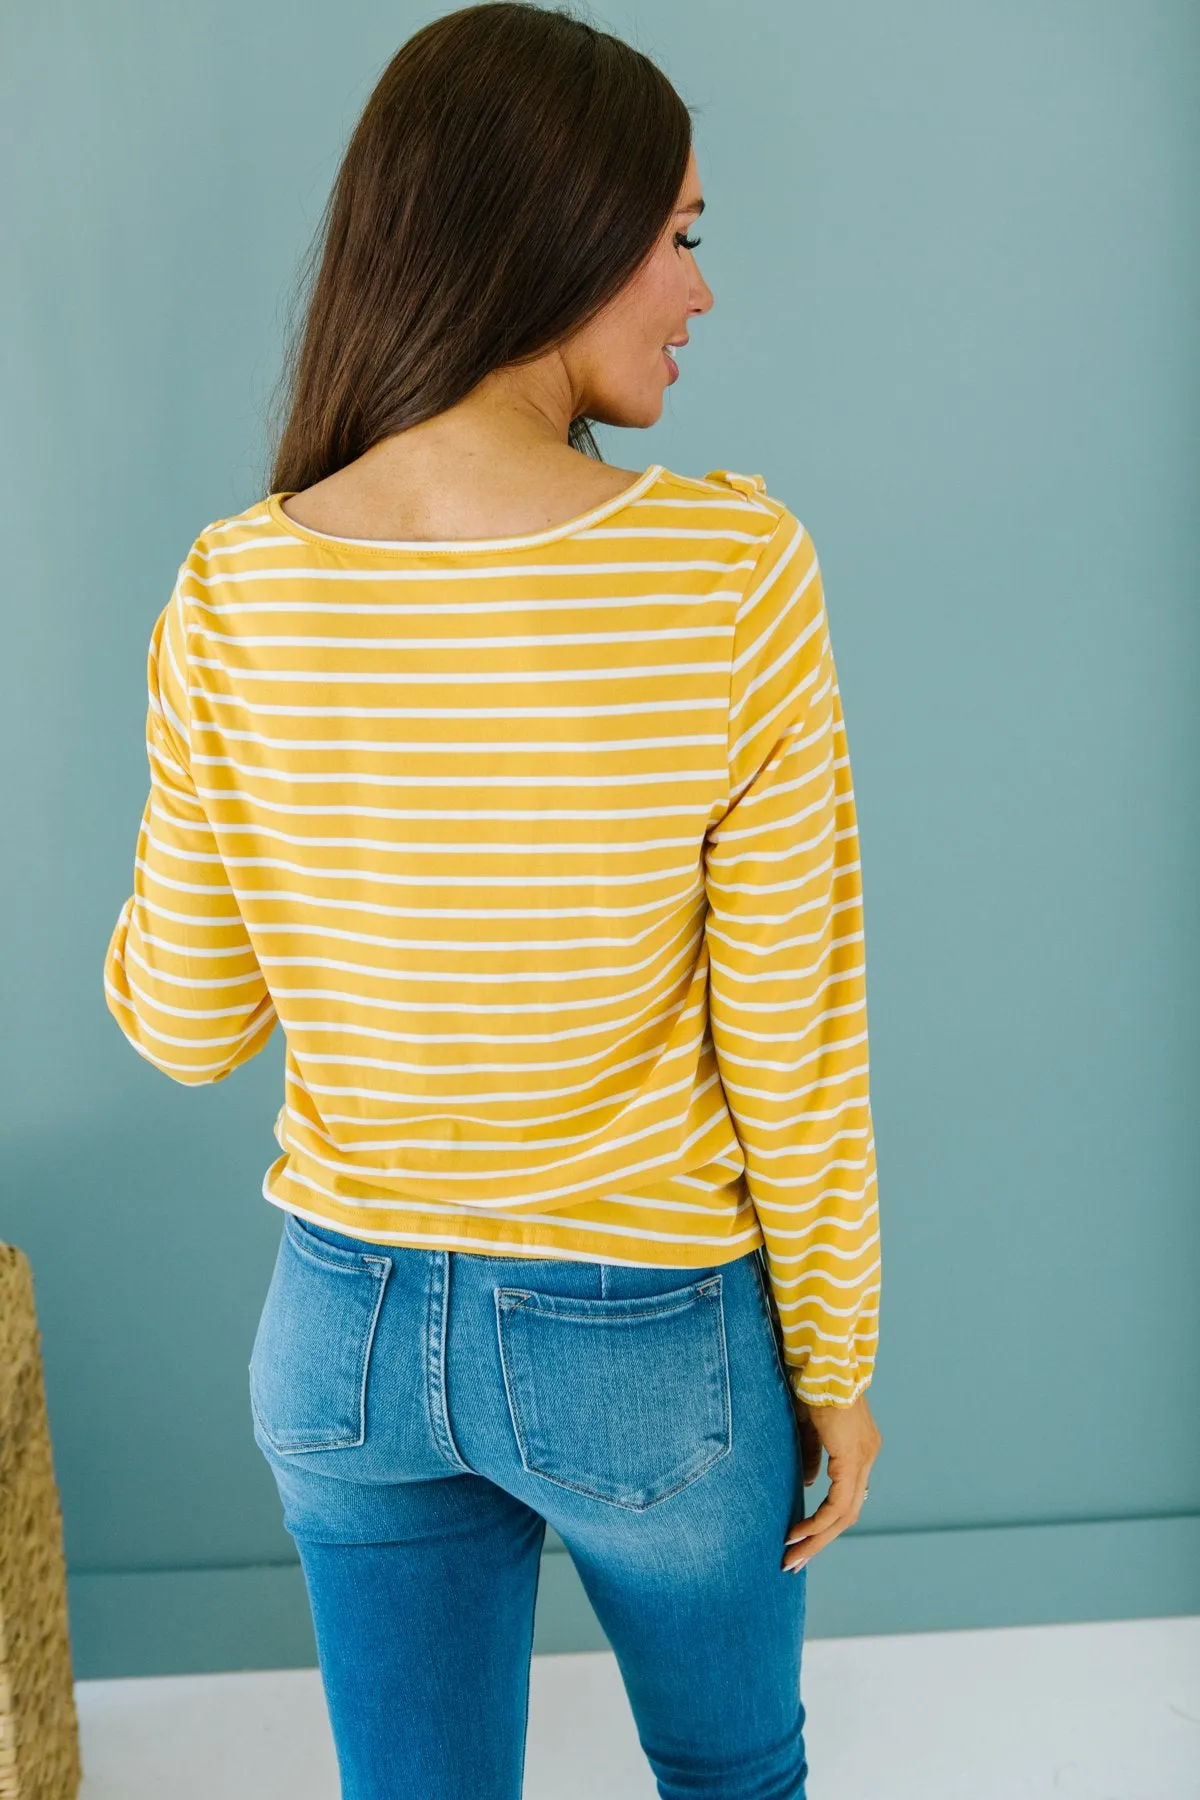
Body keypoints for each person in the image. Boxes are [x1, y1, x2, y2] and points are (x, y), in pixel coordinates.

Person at [103, 5, 882, 1794]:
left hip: (344, 1340)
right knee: (734, 1780)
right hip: (648, 1348)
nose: (701, 291)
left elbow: (182, 1024)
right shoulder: (730, 567)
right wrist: (833, 1364)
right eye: (679, 236)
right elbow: (791, 1032)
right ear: (558, 223)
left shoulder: (233, 586)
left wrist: (266, 786)